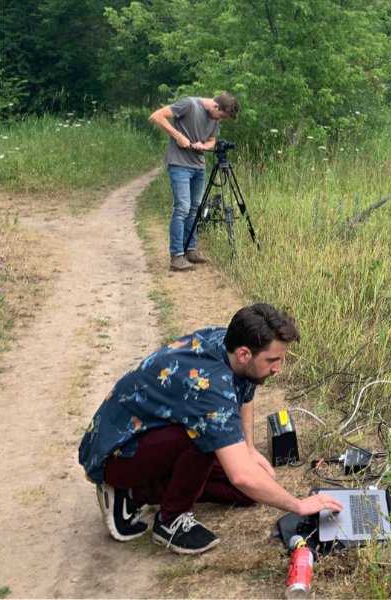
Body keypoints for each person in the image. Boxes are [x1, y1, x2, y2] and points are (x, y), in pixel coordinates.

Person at [78, 304, 343, 555]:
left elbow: (246, 393)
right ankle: (168, 519)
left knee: (251, 492)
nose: (279, 368)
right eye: (273, 360)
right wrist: (298, 506)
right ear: (244, 354)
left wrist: (249, 450)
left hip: (151, 438)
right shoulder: (211, 388)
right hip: (116, 454)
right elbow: (241, 475)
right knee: (208, 442)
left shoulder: (231, 345)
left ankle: (137, 494)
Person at [148, 93, 239, 272]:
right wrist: (178, 136)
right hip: (179, 165)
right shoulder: (189, 105)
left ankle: (190, 249)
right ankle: (176, 256)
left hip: (199, 166)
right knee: (182, 207)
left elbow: (212, 141)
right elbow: (156, 116)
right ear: (215, 107)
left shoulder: (215, 118)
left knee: (195, 208)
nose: (220, 120)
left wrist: (204, 146)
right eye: (220, 116)